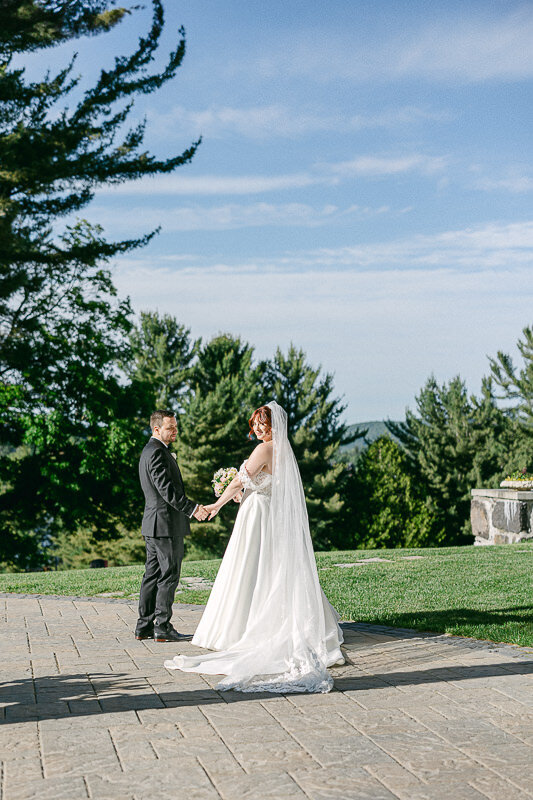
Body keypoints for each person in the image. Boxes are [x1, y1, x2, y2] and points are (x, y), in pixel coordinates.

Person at [164, 401, 344, 693]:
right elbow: (261, 482)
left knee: (248, 567)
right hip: (269, 512)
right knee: (268, 567)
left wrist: (217, 505)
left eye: (264, 424)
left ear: (275, 425)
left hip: (258, 513)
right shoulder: (284, 450)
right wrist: (245, 489)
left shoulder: (264, 449)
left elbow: (238, 481)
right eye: (256, 424)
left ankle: (235, 629)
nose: (259, 429)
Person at [135, 409, 208, 643]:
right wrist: (193, 509)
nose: (175, 430)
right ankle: (162, 627)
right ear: (156, 429)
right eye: (170, 427)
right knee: (169, 575)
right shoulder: (156, 452)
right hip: (164, 525)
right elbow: (167, 491)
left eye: (175, 426)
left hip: (153, 525)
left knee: (152, 575)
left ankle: (143, 626)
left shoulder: (151, 451)